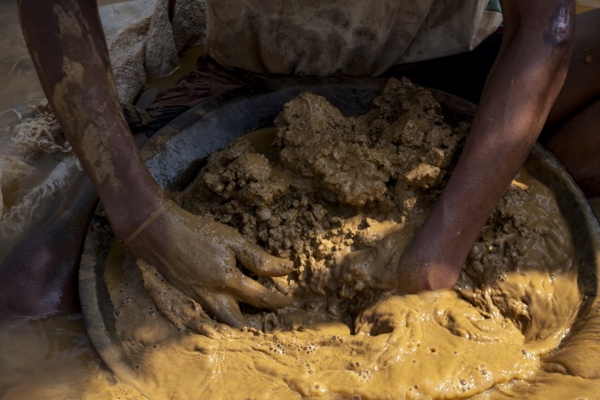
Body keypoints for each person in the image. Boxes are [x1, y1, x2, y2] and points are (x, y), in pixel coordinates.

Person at [8, 0, 598, 327]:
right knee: (28, 293)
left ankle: (545, 165)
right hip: (242, 78)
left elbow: (547, 23)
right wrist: (142, 218)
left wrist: (444, 245)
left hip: (437, 69)